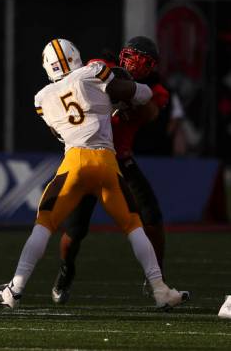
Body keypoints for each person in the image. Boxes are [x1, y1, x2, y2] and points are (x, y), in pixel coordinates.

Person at [0, 38, 188, 311]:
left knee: (43, 225)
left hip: (75, 163)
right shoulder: (94, 72)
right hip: (107, 162)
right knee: (133, 226)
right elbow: (138, 94)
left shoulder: (41, 98)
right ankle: (160, 290)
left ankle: (14, 290)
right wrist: (129, 96)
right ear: (76, 57)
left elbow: (57, 133)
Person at [52, 36, 170, 304]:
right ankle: (65, 270)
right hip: (89, 156)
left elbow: (150, 114)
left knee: (151, 217)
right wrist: (117, 87)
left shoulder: (155, 89)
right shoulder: (100, 66)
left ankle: (158, 280)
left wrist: (131, 93)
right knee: (75, 230)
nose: (135, 63)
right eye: (131, 56)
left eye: (143, 61)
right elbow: (96, 82)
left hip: (121, 160)